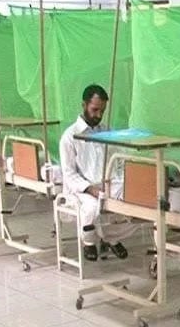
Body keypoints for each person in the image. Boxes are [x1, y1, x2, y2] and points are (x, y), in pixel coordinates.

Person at [60, 84, 136, 261]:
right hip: (82, 188)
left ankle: (111, 236)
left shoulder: (107, 132)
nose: (98, 115)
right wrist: (89, 188)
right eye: (95, 110)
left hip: (107, 183)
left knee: (134, 202)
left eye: (102, 111)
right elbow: (69, 173)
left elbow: (118, 159)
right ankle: (89, 242)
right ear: (84, 105)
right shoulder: (70, 136)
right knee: (93, 207)